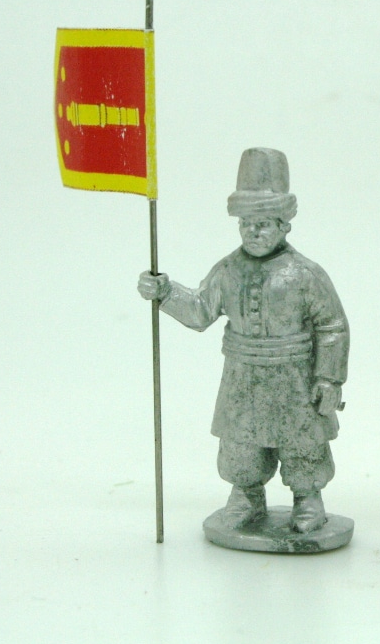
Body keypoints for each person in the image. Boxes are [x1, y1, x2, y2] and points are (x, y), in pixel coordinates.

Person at [138, 148, 348, 535]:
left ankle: (308, 498)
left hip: (294, 378)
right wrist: (165, 293)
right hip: (242, 378)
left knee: (302, 443)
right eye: (247, 224)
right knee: (240, 444)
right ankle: (246, 496)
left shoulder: (305, 274)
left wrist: (328, 379)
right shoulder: (227, 271)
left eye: (263, 224)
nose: (254, 232)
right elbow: (200, 310)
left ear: (284, 226)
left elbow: (332, 325)